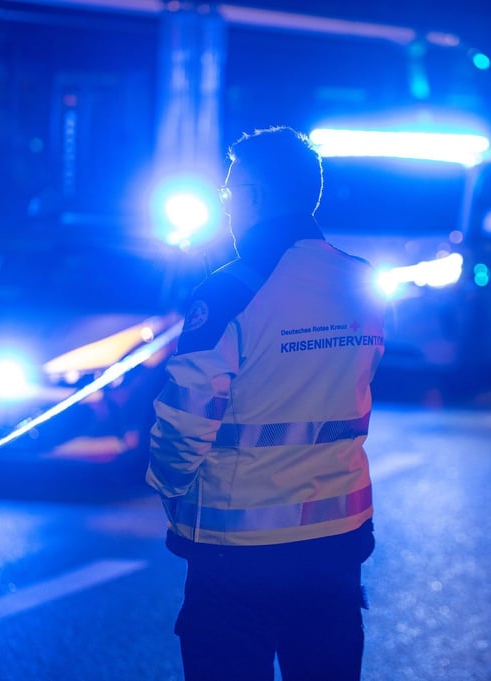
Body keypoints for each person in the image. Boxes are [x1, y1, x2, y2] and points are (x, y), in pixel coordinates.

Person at [146, 125, 385, 681]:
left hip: (238, 553)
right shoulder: (362, 281)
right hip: (337, 543)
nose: (226, 207)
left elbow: (184, 419)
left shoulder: (229, 292)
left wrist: (170, 488)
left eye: (229, 193)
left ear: (254, 197)